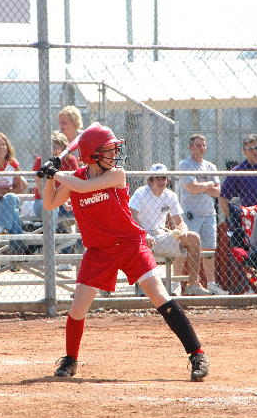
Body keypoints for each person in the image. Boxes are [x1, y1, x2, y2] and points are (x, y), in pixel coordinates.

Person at [41, 122, 209, 381]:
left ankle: (197, 353)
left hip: (130, 244)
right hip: (99, 250)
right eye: (107, 150)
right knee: (77, 309)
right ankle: (71, 359)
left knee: (159, 295)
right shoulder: (75, 178)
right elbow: (50, 203)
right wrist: (50, 178)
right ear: (92, 154)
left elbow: (83, 188)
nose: (114, 154)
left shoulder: (116, 174)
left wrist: (57, 173)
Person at [129, 162, 210, 296]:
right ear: (150, 181)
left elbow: (180, 221)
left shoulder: (170, 195)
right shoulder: (141, 193)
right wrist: (144, 234)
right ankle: (145, 288)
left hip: (160, 236)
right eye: (157, 178)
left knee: (193, 238)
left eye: (164, 178)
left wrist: (183, 230)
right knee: (143, 243)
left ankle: (193, 285)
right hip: (140, 237)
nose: (161, 181)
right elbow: (132, 214)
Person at [179, 134, 229, 295]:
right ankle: (177, 284)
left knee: (209, 250)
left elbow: (217, 192)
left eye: (203, 145)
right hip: (191, 214)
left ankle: (211, 284)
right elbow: (191, 188)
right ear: (190, 147)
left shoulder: (210, 166)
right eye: (198, 145)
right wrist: (208, 184)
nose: (201, 148)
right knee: (185, 248)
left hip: (209, 214)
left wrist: (201, 186)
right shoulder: (185, 165)